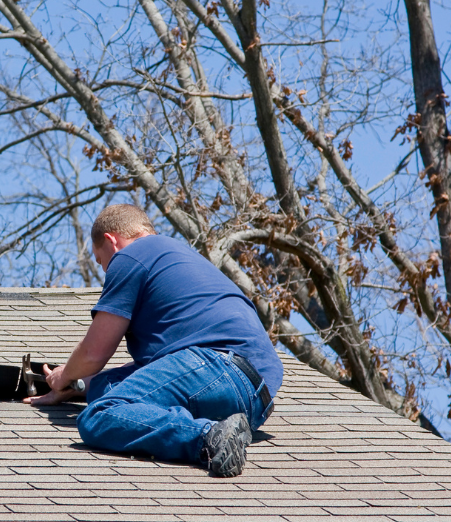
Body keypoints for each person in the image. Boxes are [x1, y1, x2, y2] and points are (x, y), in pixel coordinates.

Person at [27, 204, 282, 477]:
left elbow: (94, 354)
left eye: (101, 261)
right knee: (107, 390)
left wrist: (63, 375)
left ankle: (208, 436)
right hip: (254, 400)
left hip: (216, 365)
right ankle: (224, 431)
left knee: (99, 415)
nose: (106, 271)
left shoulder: (131, 255)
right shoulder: (178, 258)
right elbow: (152, 375)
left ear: (111, 241)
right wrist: (78, 387)